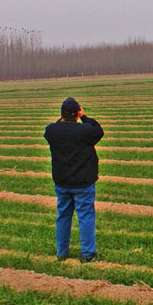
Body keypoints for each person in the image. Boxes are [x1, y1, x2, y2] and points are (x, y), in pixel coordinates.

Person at [43, 97, 104, 262]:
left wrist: (62, 119)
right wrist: (84, 117)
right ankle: (87, 254)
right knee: (85, 216)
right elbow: (98, 131)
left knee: (63, 216)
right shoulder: (84, 130)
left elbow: (51, 128)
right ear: (77, 113)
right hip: (83, 182)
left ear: (62, 114)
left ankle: (62, 253)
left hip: (62, 182)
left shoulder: (52, 131)